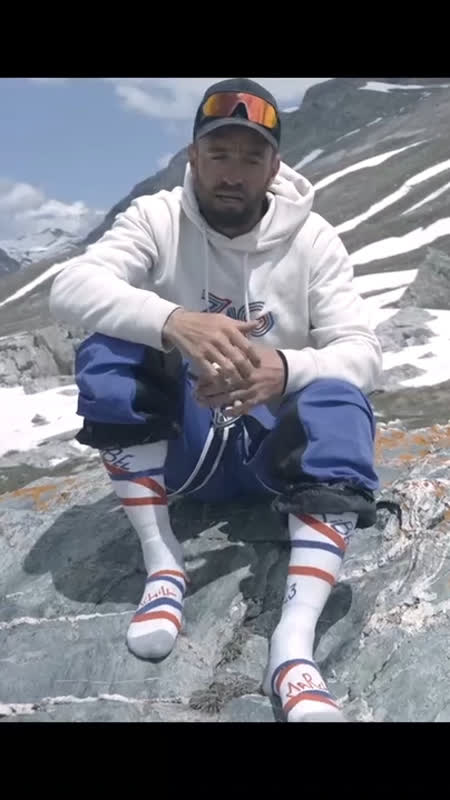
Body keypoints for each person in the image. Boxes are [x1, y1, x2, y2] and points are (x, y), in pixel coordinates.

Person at [49, 77, 382, 722]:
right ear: (193, 157)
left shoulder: (313, 239)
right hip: (184, 447)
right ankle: (164, 566)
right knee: (108, 353)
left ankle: (292, 647)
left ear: (274, 168)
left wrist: (284, 368)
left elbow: (364, 352)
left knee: (338, 400)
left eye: (251, 157)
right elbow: (71, 286)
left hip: (270, 456)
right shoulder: (157, 218)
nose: (233, 172)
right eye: (219, 153)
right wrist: (173, 321)